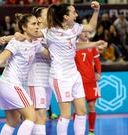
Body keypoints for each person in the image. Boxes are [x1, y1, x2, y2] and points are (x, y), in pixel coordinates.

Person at [0, 14, 49, 135]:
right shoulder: (16, 42)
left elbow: (50, 54)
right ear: (24, 27)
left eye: (37, 24)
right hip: (11, 84)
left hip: (5, 85)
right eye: (33, 24)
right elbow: (0, 58)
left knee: (12, 121)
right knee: (32, 116)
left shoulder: (35, 44)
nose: (37, 27)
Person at [43, 2, 106, 135]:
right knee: (65, 115)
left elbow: (91, 26)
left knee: (82, 112)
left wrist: (96, 11)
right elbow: (29, 35)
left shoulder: (75, 28)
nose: (76, 14)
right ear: (65, 16)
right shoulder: (50, 32)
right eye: (73, 12)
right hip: (60, 77)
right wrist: (10, 37)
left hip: (74, 75)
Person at [75, 32, 101, 135]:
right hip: (78, 82)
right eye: (84, 32)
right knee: (78, 109)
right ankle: (78, 131)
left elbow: (97, 61)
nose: (86, 34)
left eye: (88, 32)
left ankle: (91, 131)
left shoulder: (92, 46)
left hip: (90, 81)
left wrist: (98, 73)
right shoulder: (74, 45)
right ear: (78, 33)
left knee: (91, 106)